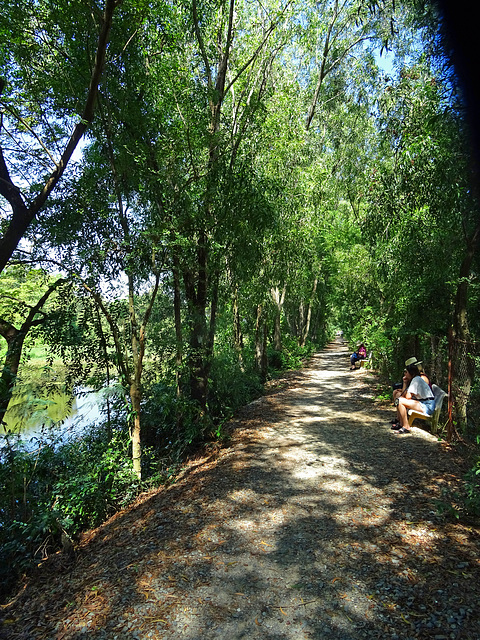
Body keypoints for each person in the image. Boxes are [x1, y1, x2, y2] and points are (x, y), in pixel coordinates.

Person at [391, 363, 435, 434]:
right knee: (398, 399)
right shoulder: (415, 379)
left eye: (406, 373)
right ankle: (401, 423)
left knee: (399, 400)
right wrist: (405, 382)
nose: (405, 374)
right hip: (423, 403)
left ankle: (406, 427)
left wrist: (405, 383)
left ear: (411, 373)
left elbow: (408, 396)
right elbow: (405, 394)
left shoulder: (416, 380)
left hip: (427, 405)